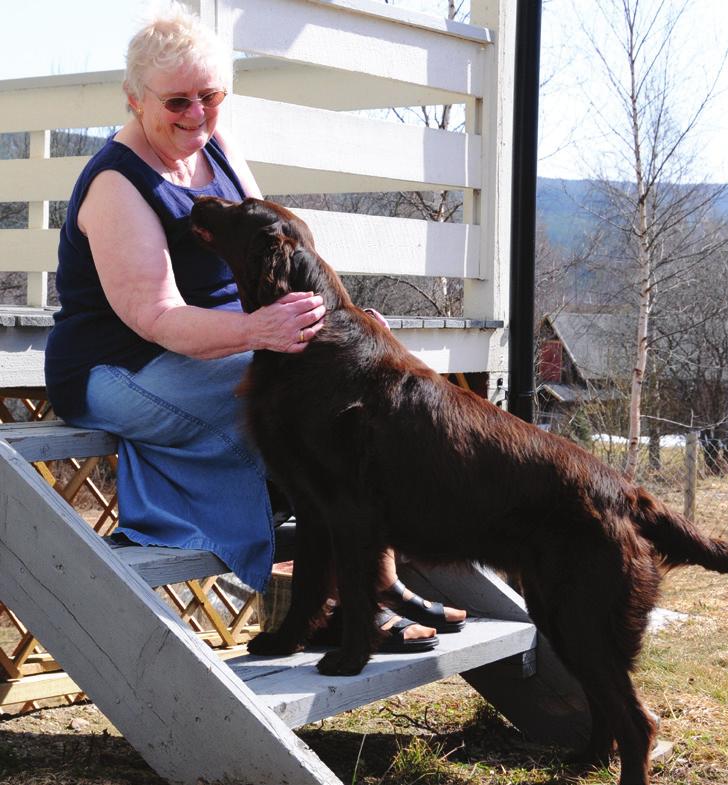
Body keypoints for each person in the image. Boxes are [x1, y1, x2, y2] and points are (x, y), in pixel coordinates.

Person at [44, 3, 463, 649]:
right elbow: (154, 317)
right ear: (133, 99)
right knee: (313, 411)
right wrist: (257, 332)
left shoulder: (217, 146)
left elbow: (283, 250)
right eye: (176, 102)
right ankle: (350, 594)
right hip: (119, 367)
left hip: (228, 342)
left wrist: (346, 322)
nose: (196, 115)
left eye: (209, 97)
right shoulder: (115, 185)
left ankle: (363, 579)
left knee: (354, 388)